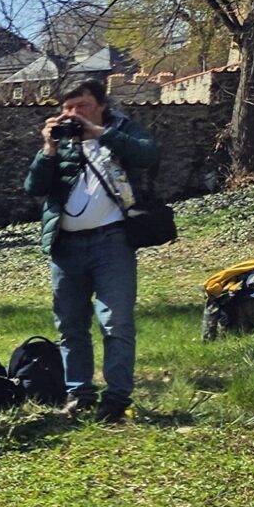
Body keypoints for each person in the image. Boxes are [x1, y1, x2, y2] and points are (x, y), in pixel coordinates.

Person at [24, 79, 160, 421]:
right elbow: (33, 187)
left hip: (112, 241)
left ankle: (116, 397)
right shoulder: (59, 142)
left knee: (116, 321)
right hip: (65, 244)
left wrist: (99, 132)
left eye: (81, 107)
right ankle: (79, 393)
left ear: (101, 105)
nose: (72, 114)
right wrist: (48, 150)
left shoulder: (120, 130)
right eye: (67, 108)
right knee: (70, 324)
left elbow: (147, 154)